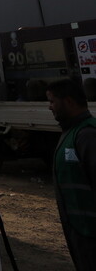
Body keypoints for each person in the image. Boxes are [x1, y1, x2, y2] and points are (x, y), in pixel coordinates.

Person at [46, 78, 96, 270]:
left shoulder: (87, 135)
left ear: (68, 101)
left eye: (52, 101)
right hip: (80, 230)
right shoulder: (70, 133)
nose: (50, 107)